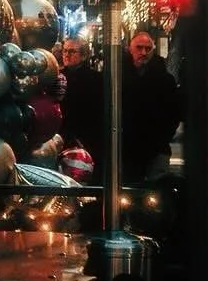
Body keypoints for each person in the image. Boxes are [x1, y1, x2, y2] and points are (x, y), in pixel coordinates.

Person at [120, 26, 182, 183]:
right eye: (139, 48)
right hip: (127, 148)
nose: (143, 52)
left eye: (147, 48)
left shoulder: (164, 79)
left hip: (156, 148)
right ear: (130, 49)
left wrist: (162, 138)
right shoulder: (119, 76)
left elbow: (173, 113)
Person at [59, 33, 105, 175]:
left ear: (84, 56)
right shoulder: (57, 76)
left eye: (72, 51)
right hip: (62, 138)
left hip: (87, 140)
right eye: (65, 51)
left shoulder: (96, 80)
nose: (67, 55)